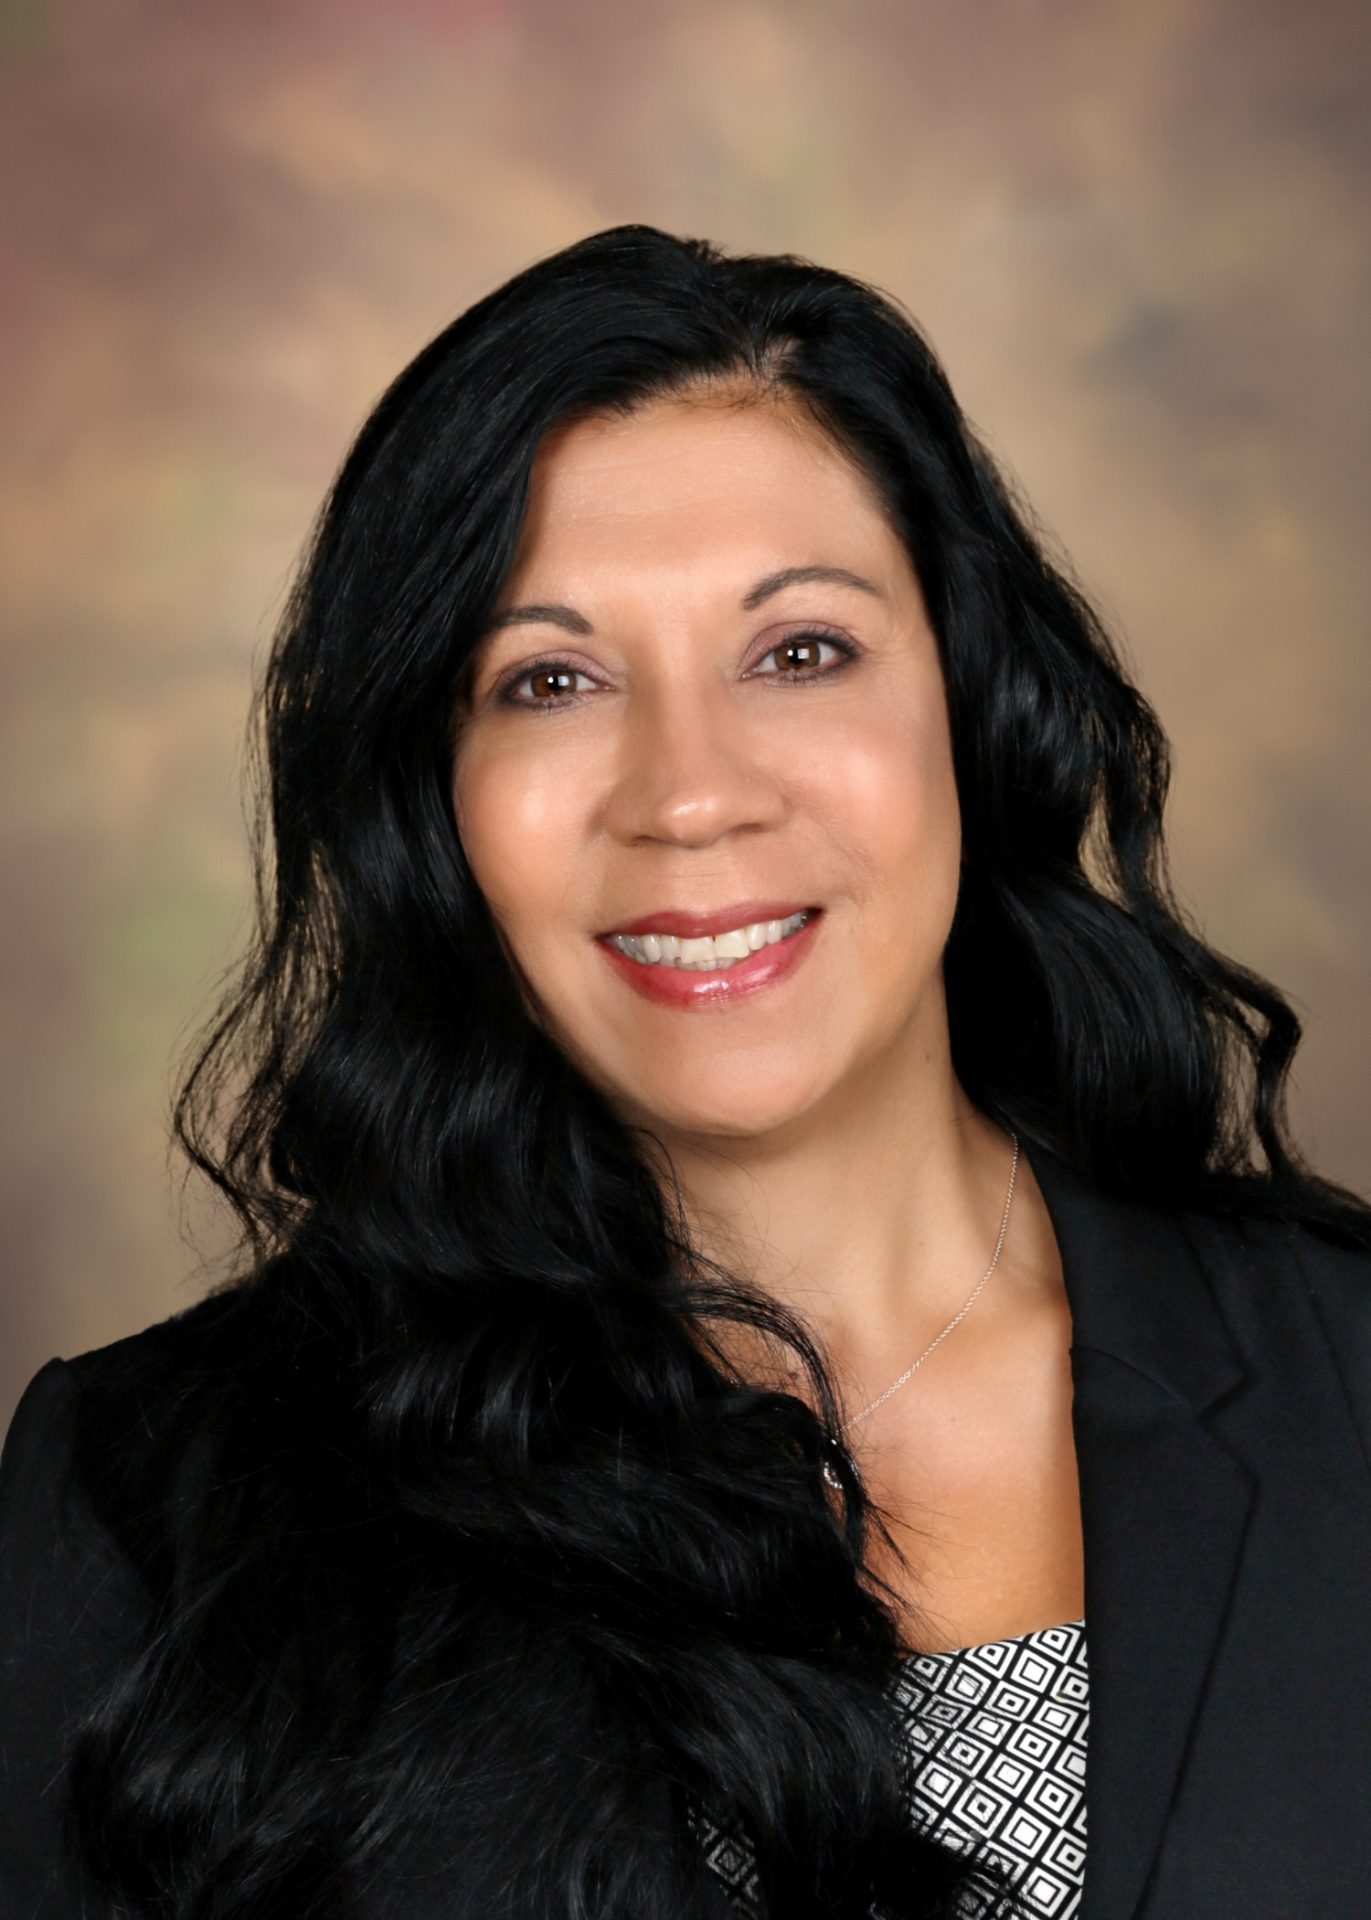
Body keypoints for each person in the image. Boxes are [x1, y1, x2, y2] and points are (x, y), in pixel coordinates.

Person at [1, 224, 1368, 1920]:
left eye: (799, 651)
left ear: (971, 700)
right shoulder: (152, 1498)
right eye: (551, 680)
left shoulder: (1350, 1375)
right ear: (432, 800)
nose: (691, 792)